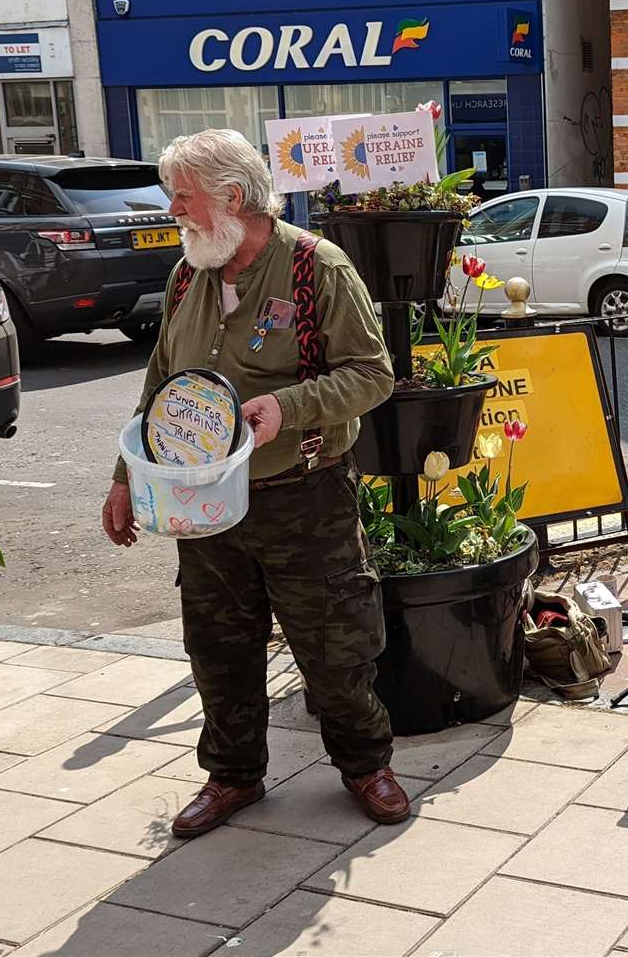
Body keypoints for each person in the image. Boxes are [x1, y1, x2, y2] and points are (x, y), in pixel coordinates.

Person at [100, 129, 405, 837]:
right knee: (217, 648)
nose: (172, 208)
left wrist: (288, 407)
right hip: (200, 505)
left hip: (303, 497)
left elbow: (374, 374)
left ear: (232, 196)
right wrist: (124, 478)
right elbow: (160, 386)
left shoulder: (313, 267)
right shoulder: (188, 275)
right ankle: (232, 776)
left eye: (183, 195)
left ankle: (366, 765)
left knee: (335, 648)